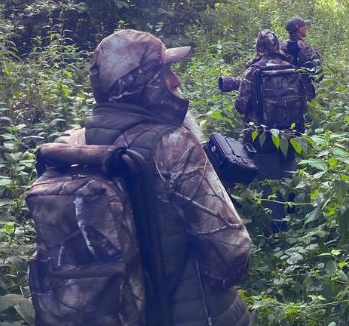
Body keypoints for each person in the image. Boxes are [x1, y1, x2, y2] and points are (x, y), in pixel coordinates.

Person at [63, 29, 252, 326]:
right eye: (165, 72)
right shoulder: (174, 145)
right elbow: (233, 251)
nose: (176, 81)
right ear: (142, 83)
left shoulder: (74, 146)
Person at [235, 29, 303, 230]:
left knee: (269, 183)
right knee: (290, 176)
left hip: (263, 136)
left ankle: (278, 228)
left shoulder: (253, 71)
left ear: (259, 47)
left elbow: (241, 106)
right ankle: (297, 222)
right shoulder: (292, 67)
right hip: (291, 133)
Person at [281, 16, 323, 104]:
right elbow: (318, 76)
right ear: (300, 29)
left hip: (284, 94)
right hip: (303, 95)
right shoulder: (305, 49)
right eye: (304, 26)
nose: (306, 28)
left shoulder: (281, 48)